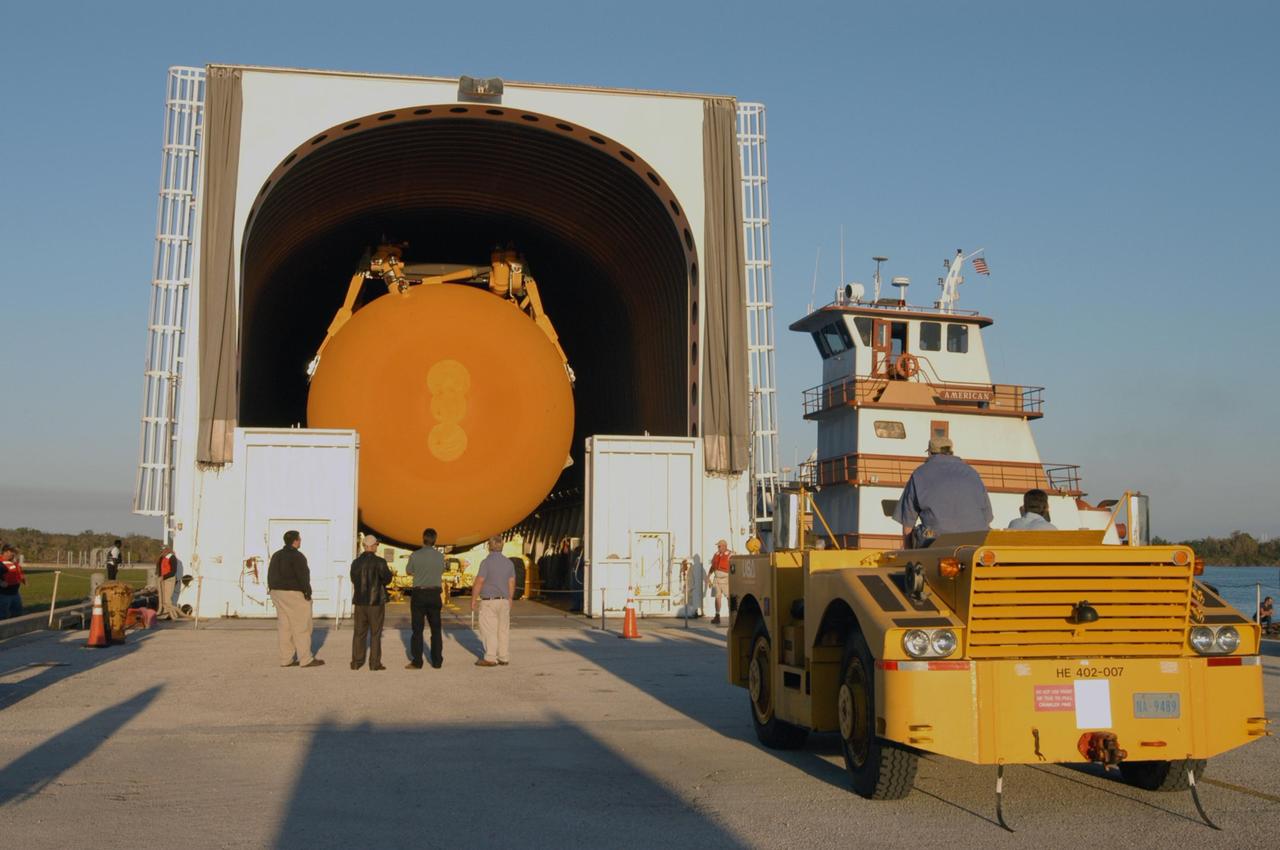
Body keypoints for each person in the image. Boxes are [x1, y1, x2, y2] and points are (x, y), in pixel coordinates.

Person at [893, 435, 993, 547]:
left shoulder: (919, 474)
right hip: (977, 542)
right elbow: (987, 517)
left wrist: (908, 553)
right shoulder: (972, 472)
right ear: (951, 451)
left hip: (938, 543)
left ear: (930, 453)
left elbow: (907, 523)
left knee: (917, 533)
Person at [267, 530, 323, 668]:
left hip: (277, 592)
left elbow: (270, 573)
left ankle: (286, 659)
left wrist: (272, 589)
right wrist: (307, 593)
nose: (300, 541)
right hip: (294, 593)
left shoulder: (276, 555)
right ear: (295, 541)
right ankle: (305, 659)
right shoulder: (298, 557)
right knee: (302, 626)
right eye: (299, 539)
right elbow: (303, 576)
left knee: (284, 627)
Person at [350, 534, 393, 671]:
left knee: (359, 633)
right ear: (373, 546)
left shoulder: (356, 562)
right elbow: (387, 579)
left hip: (360, 602)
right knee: (375, 633)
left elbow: (353, 579)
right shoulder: (380, 562)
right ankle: (374, 663)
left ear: (364, 546)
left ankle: (356, 662)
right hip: (376, 602)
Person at [406, 528, 447, 669]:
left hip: (419, 593)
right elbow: (442, 570)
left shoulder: (415, 555)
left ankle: (417, 661)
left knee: (417, 630)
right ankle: (437, 661)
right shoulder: (440, 557)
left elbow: (409, 570)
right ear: (435, 540)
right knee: (436, 629)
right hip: (435, 594)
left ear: (423, 538)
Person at [471, 536, 515, 667]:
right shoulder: (509, 563)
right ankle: (503, 656)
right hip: (504, 600)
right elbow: (511, 582)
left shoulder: (486, 562)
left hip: (489, 601)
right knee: (503, 630)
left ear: (490, 546)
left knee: (489, 630)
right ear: (502, 546)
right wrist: (510, 598)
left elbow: (480, 581)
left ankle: (490, 657)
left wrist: (473, 598)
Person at [154, 546, 186, 620]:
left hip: (169, 580)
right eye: (161, 551)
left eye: (163, 551)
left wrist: (164, 577)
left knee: (167, 600)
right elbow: (160, 567)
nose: (162, 553)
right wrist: (159, 576)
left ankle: (174, 615)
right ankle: (166, 613)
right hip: (162, 579)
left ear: (167, 551)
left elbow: (173, 571)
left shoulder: (172, 558)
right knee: (163, 599)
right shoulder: (162, 557)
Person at [707, 539, 732, 625]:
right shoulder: (716, 554)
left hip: (726, 578)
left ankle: (731, 616)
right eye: (718, 546)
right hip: (716, 578)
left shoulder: (731, 555)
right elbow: (713, 566)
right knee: (717, 597)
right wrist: (708, 576)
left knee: (729, 597)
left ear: (724, 546)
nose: (718, 548)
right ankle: (717, 616)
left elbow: (734, 566)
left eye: (719, 546)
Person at [0, 543, 25, 620]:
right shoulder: (1, 563)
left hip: (15, 593)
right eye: (12, 552)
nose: (13, 554)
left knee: (17, 614)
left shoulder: (12, 562)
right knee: (2, 616)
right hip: (4, 594)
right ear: (7, 552)